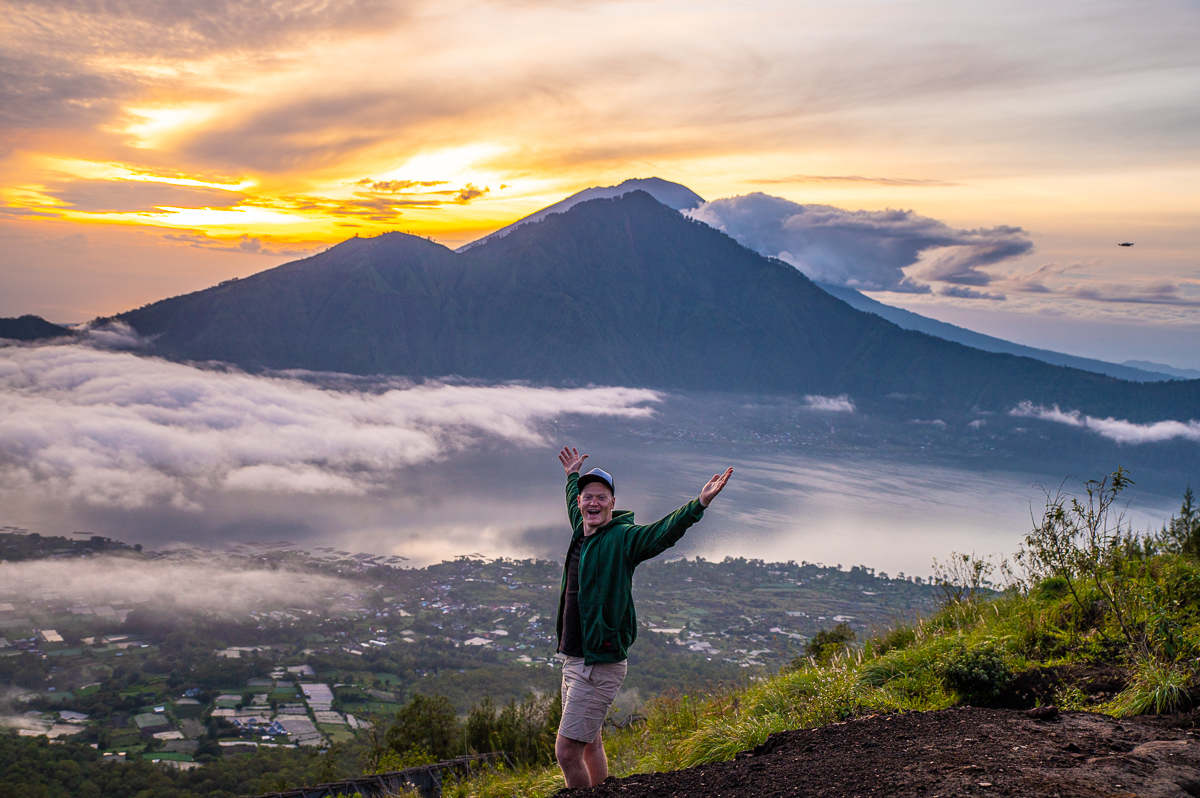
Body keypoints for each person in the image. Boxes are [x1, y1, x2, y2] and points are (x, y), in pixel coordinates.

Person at [553, 445, 733, 788]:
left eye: (601, 498)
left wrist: (699, 505)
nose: (593, 502)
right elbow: (573, 501)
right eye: (587, 497)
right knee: (590, 741)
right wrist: (571, 476)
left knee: (566, 752)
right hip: (575, 659)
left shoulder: (624, 539)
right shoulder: (581, 530)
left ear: (612, 504)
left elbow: (663, 532)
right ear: (580, 503)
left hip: (599, 662)